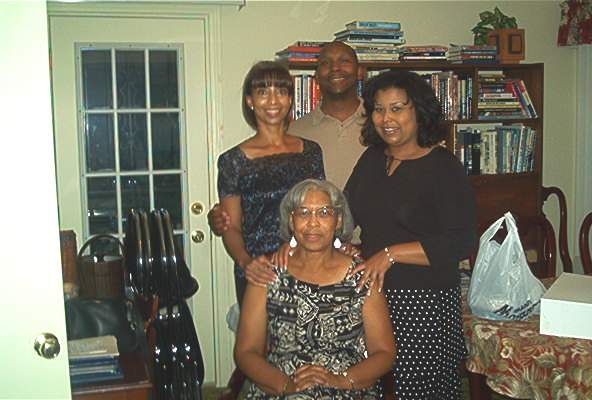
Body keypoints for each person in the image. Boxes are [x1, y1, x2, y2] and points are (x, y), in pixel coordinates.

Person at [344, 70, 478, 399]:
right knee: (373, 387)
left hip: (424, 303)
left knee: (421, 390)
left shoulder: (443, 166)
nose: (386, 118)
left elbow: (462, 240)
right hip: (374, 299)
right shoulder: (371, 159)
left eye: (397, 108)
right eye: (378, 109)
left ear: (418, 111)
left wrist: (391, 254)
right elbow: (346, 213)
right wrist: (341, 245)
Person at [216, 61, 324, 399]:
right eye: (262, 91)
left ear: (291, 98)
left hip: (307, 261)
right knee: (260, 355)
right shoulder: (233, 160)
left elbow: (320, 211)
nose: (272, 99)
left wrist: (334, 245)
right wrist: (247, 262)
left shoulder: (310, 152)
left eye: (281, 90)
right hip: (259, 269)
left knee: (308, 346)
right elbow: (231, 226)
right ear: (250, 100)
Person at [234, 179, 396, 399]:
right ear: (291, 221)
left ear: (338, 221)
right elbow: (246, 351)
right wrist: (286, 385)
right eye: (303, 213)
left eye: (324, 213)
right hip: (282, 384)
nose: (313, 223)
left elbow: (384, 353)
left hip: (347, 384)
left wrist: (340, 380)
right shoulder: (267, 274)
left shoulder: (361, 276)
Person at [209, 41, 365, 236]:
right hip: (299, 253)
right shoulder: (299, 131)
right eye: (326, 63)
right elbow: (239, 216)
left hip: (371, 243)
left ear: (360, 71)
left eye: (344, 61)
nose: (335, 68)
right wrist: (222, 218)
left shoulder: (381, 125)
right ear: (316, 76)